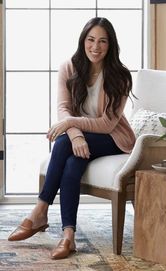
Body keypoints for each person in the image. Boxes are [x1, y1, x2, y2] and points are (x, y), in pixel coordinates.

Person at [8, 17, 135, 260]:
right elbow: (63, 108)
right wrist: (76, 135)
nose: (95, 47)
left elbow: (108, 123)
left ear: (110, 45)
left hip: (112, 138)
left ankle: (40, 211)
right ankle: (69, 236)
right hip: (79, 137)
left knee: (63, 142)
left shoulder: (120, 76)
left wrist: (70, 126)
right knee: (72, 162)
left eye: (102, 41)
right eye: (90, 40)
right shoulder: (69, 67)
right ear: (83, 41)